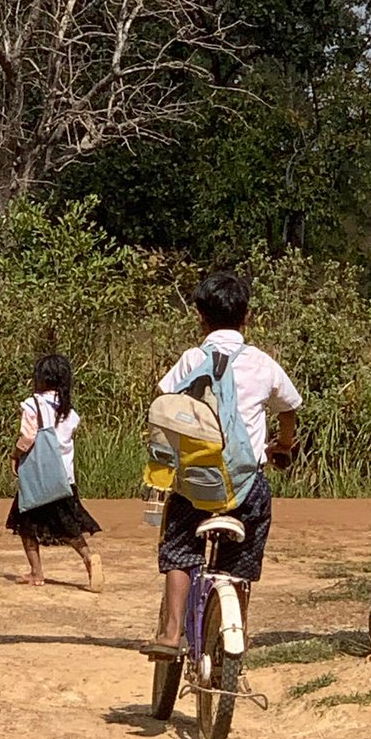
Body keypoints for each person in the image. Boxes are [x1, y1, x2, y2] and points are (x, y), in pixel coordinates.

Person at [141, 271, 302, 659]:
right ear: (247, 316)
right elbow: (290, 407)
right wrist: (282, 445)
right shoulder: (263, 364)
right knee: (240, 564)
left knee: (180, 548)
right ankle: (236, 642)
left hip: (196, 485)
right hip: (246, 488)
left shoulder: (192, 359)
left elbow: (164, 402)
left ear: (200, 316)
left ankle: (171, 632)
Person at [6, 354, 103, 592]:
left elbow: (28, 436)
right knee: (69, 526)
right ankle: (88, 557)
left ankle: (37, 572)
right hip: (64, 479)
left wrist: (15, 455)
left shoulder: (33, 404)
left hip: (38, 479)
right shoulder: (69, 411)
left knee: (25, 523)